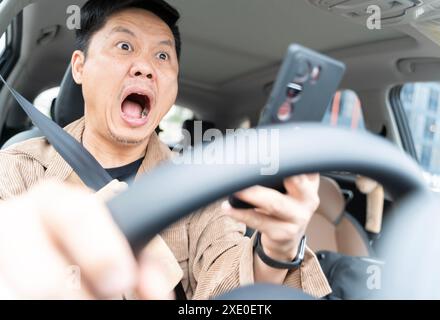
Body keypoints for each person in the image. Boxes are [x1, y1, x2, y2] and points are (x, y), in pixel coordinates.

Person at [0, 0, 331, 299]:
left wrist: (277, 248)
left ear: (173, 83)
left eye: (162, 55)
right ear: (80, 67)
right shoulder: (15, 168)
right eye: (124, 45)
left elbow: (229, 286)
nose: (144, 67)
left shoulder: (201, 189)